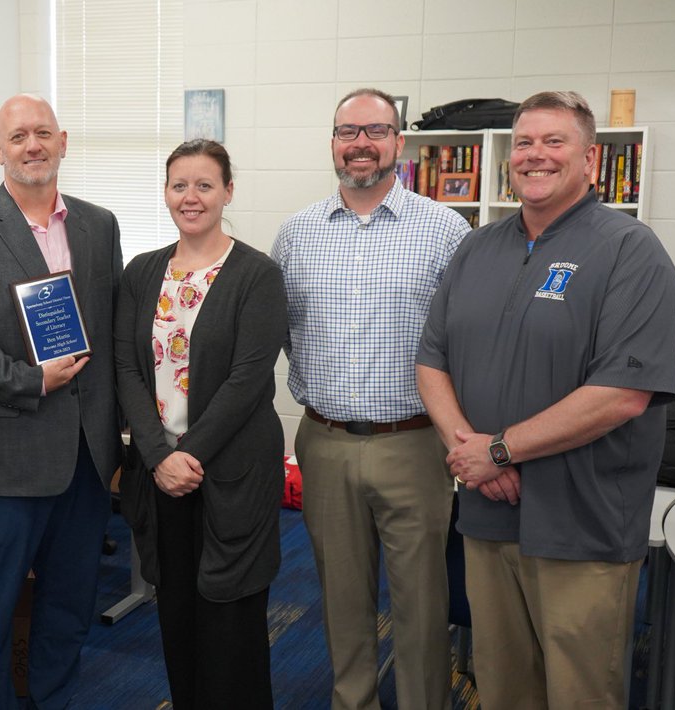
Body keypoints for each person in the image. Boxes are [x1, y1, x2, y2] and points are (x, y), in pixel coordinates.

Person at [416, 91, 675, 708]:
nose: (535, 155)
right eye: (523, 144)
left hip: (580, 519)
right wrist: (472, 454)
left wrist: (500, 450)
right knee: (501, 682)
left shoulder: (628, 250)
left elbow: (621, 394)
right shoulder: (477, 247)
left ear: (591, 159)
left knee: (579, 689)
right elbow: (431, 361)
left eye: (554, 142)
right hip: (487, 511)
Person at [271, 88, 471, 710]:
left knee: (421, 602)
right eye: (347, 131)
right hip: (324, 443)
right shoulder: (296, 234)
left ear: (399, 143)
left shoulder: (446, 230)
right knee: (342, 599)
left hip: (414, 444)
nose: (361, 143)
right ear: (333, 142)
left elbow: (467, 339)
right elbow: (278, 331)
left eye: (375, 131)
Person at [0, 94, 122, 709]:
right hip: (6, 453)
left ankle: (54, 700)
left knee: (69, 603)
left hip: (87, 457)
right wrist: (30, 379)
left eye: (43, 133)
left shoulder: (99, 224)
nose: (32, 146)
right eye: (18, 137)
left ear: (63, 141)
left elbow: (112, 332)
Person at [115, 139, 286, 709]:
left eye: (204, 185)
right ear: (165, 194)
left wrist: (189, 454)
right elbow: (126, 369)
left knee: (230, 618)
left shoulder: (257, 275)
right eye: (179, 185)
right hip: (162, 475)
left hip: (231, 472)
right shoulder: (141, 273)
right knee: (177, 612)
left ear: (228, 192)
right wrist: (159, 456)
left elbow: (248, 379)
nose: (191, 197)